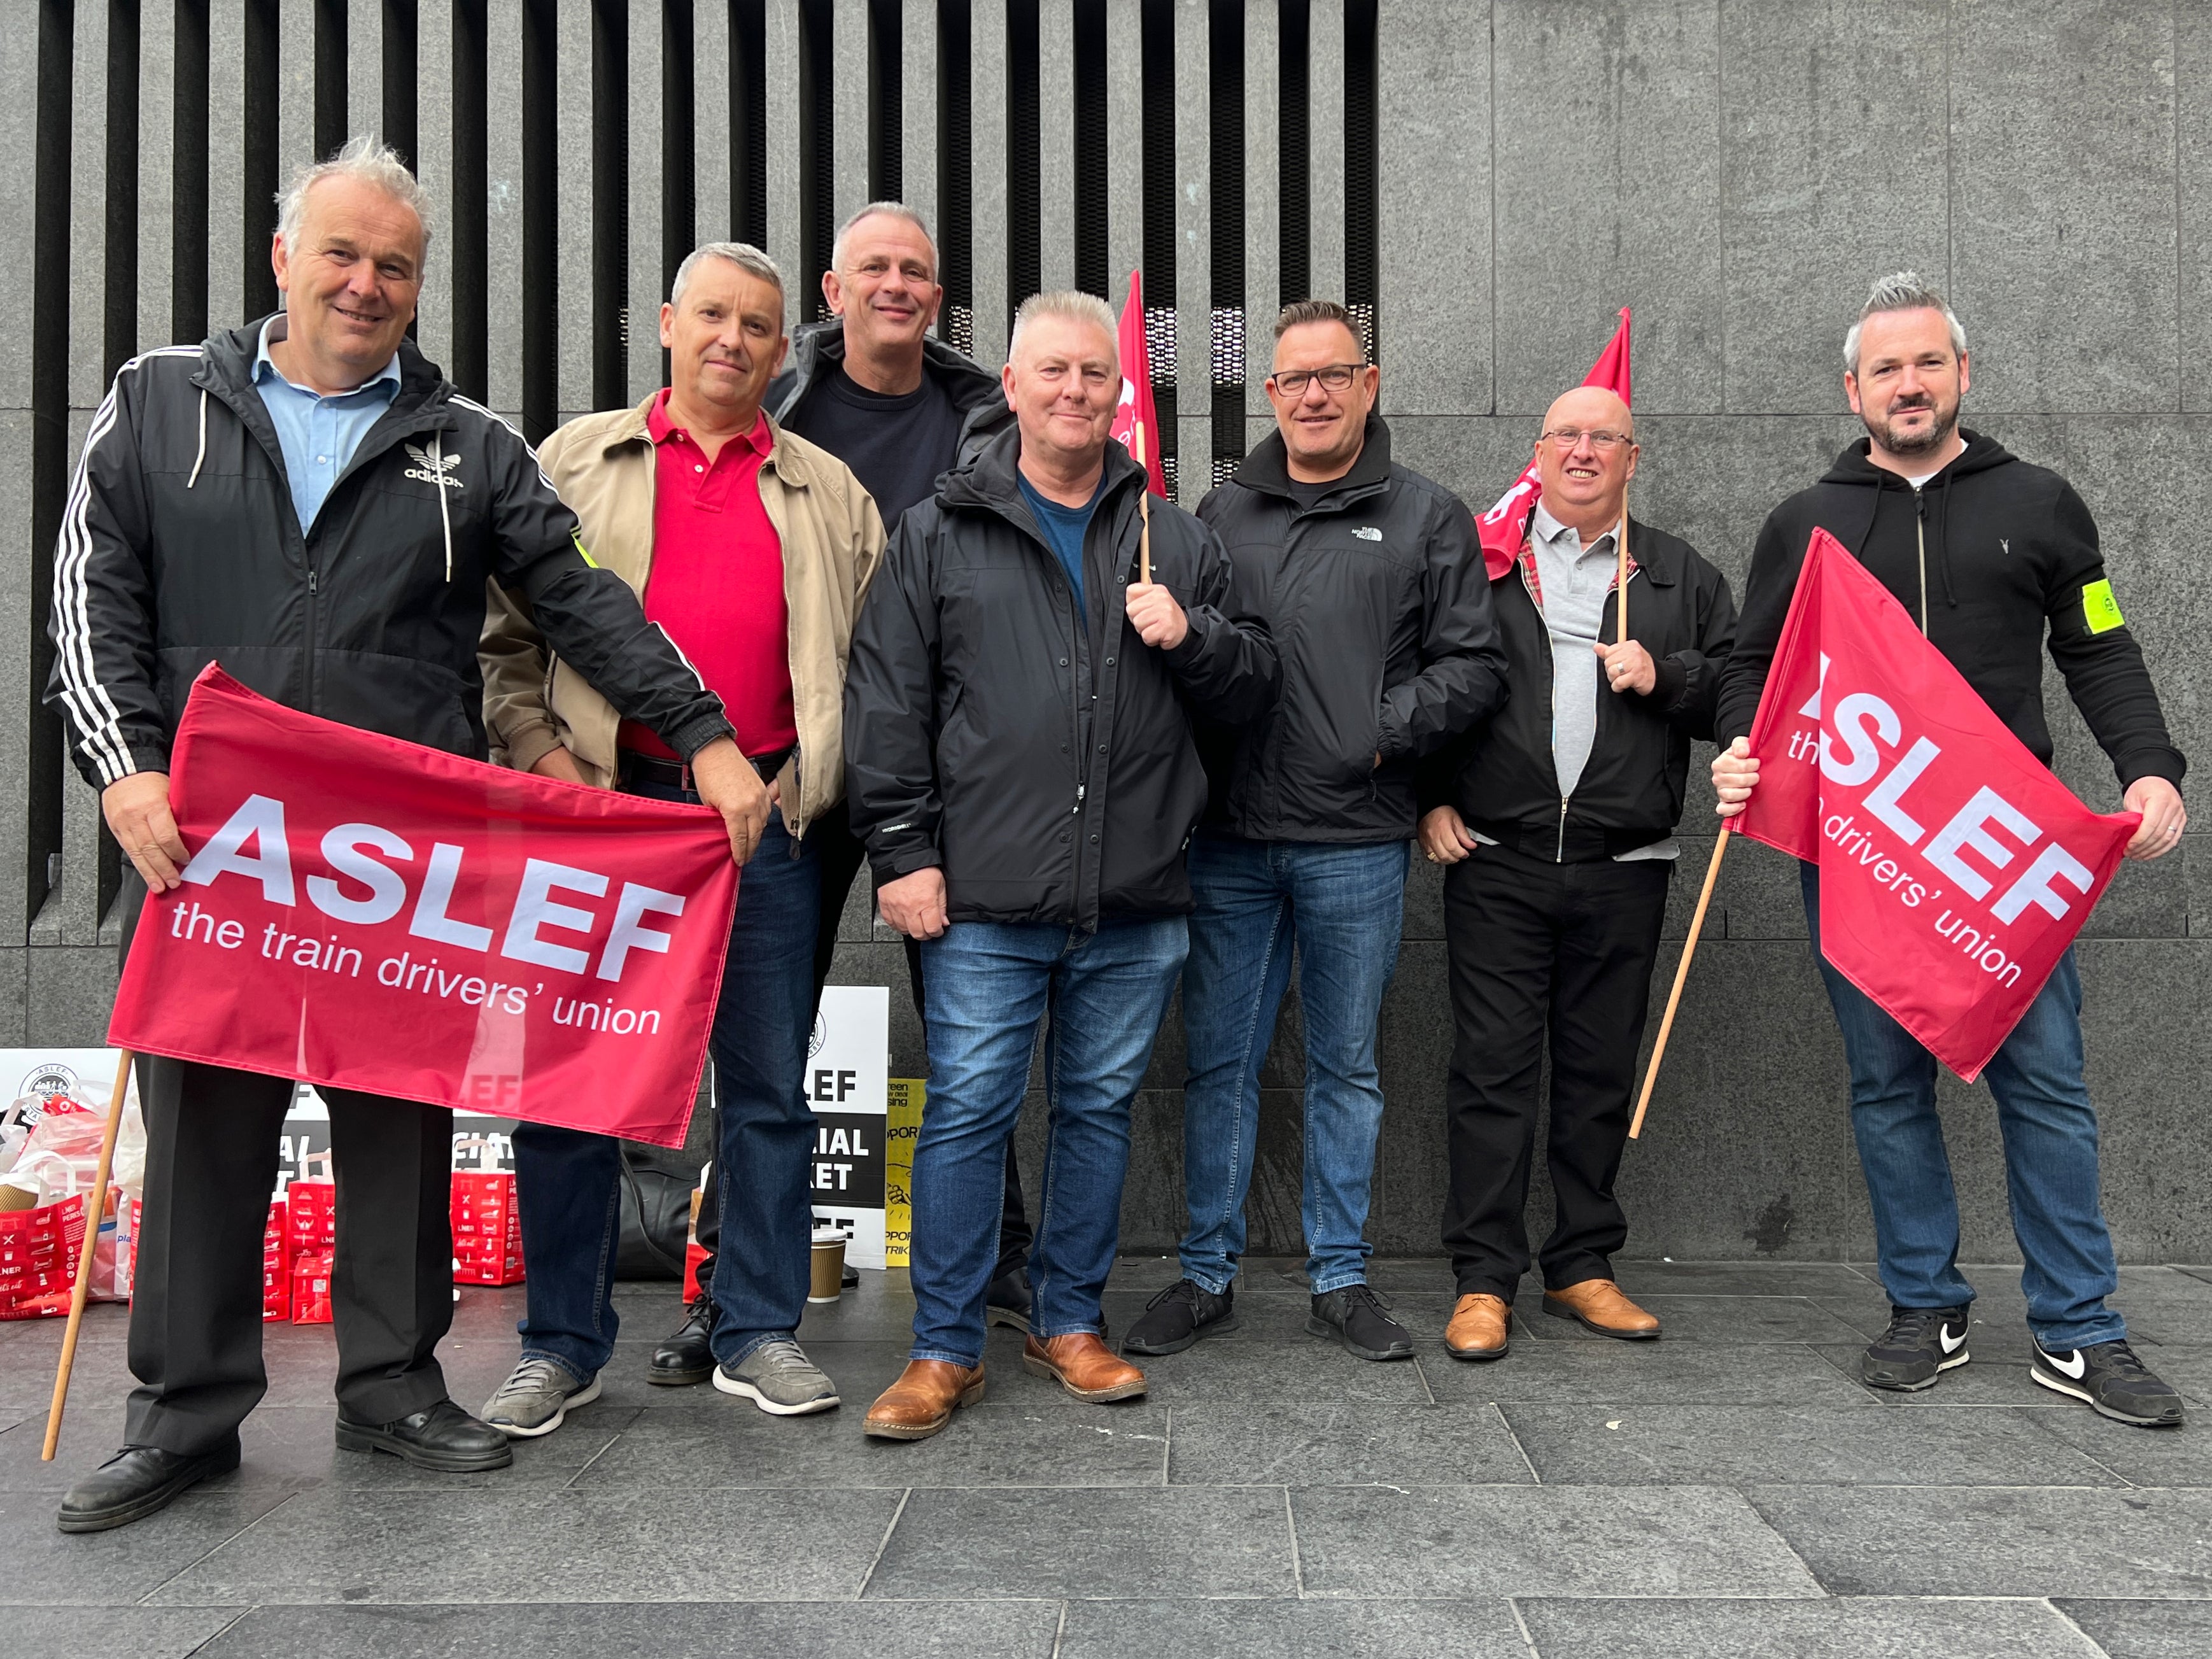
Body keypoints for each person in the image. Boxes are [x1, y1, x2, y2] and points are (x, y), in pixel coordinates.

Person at [48, 138, 763, 1533]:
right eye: (343, 253)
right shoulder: (154, 402)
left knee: (395, 1123)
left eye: (395, 265)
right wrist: (124, 766)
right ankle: (184, 1413)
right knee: (207, 1137)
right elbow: (91, 595)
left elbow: (581, 599)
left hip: (394, 876)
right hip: (214, 853)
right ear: (283, 260)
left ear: (421, 285)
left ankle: (391, 1385)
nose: (366, 284)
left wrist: (707, 734)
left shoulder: (471, 446)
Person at [1712, 272, 2188, 1425]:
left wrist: (2152, 765)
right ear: (1854, 389)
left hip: (1999, 860)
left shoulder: (2042, 499)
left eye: (1928, 363)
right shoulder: (1806, 521)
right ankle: (1925, 1302)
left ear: (1962, 374)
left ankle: (2079, 1328)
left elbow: (2102, 647)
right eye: (1887, 368)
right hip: (1865, 855)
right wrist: (1740, 747)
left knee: (2048, 1091)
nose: (1909, 384)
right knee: (1887, 1086)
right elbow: (1751, 665)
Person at [845, 290, 1277, 1440]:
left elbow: (1252, 693)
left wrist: (1196, 637)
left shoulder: (1175, 537)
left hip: (1135, 896)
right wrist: (902, 849)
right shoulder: (940, 528)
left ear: (1118, 393)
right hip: (980, 894)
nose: (1075, 392)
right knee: (970, 1114)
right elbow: (886, 702)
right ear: (1015, 386)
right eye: (1053, 373)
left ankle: (1068, 1317)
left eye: (1094, 374)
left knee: (1096, 1112)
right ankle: (943, 1347)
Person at [477, 241, 884, 1430]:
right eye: (712, 316)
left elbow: (864, 672)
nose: (734, 342)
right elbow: (501, 645)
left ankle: (757, 1329)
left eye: (759, 327)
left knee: (764, 1088)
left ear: (782, 345)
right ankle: (562, 1342)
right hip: (600, 818)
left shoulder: (830, 491)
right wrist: (549, 765)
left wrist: (795, 787)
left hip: (760, 828)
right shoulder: (572, 462)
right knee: (569, 1092)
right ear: (666, 322)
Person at [1118, 300, 1505, 1364]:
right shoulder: (1217, 512)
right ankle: (1206, 1274)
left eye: (1335, 375)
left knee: (1346, 1067)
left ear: (1369, 384)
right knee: (1220, 1066)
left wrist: (1376, 734)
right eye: (1294, 381)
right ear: (1271, 394)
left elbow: (1473, 664)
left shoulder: (1429, 517)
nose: (1315, 396)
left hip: (1358, 840)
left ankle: (1342, 1275)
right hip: (1234, 838)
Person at [1417, 384, 1736, 1362]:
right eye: (1568, 436)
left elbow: (1744, 682)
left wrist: (1668, 675)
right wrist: (1427, 797)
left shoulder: (1680, 574)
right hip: (1499, 861)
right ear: (1540, 451)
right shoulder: (1484, 561)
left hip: (1624, 865)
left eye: (1606, 438)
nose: (1586, 452)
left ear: (1633, 457)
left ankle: (1582, 1264)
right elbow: (1429, 673)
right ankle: (1483, 1279)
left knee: (1599, 1074)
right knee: (1493, 1074)